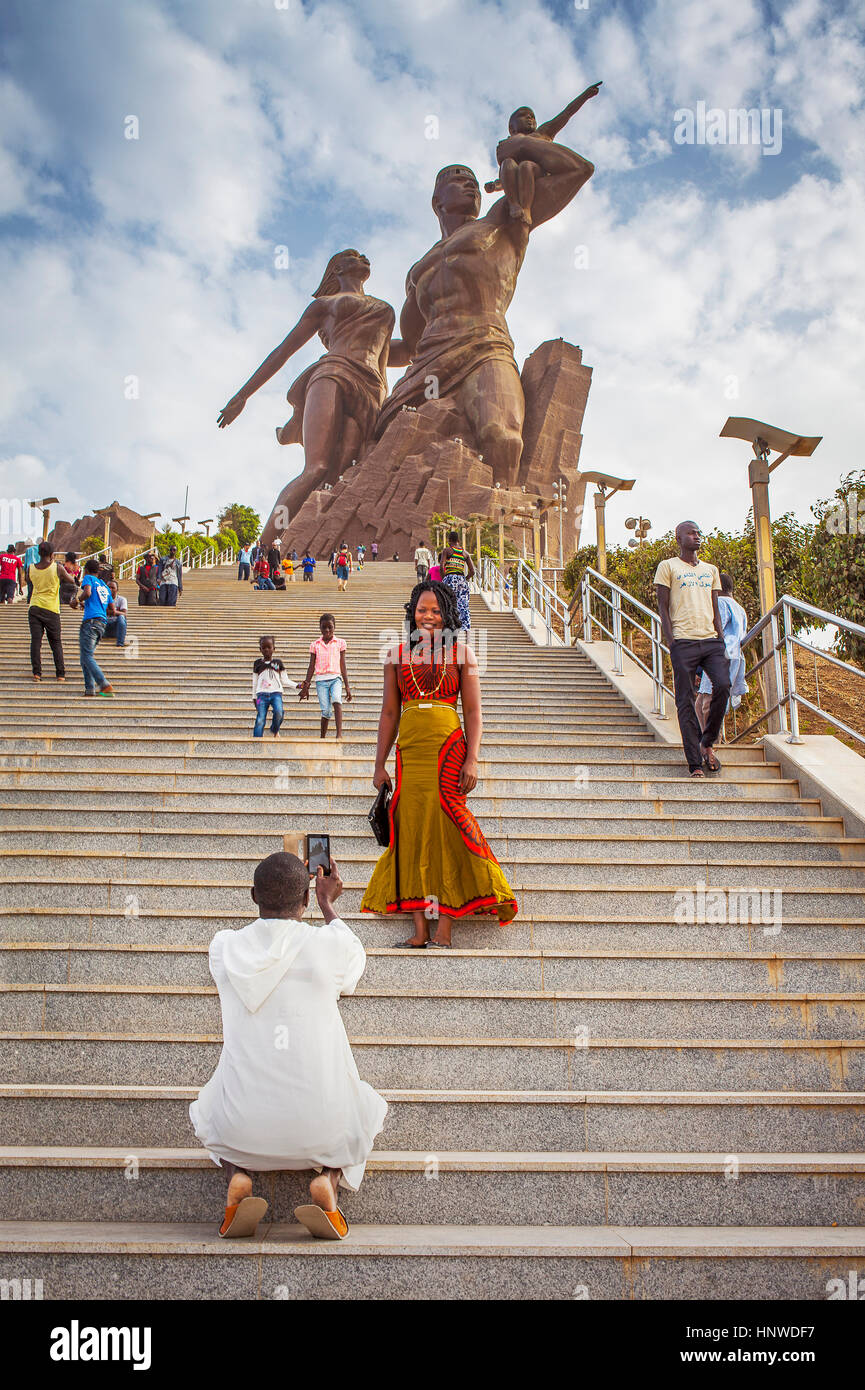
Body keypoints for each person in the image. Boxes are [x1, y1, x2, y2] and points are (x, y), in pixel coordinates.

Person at [189, 852, 387, 1240]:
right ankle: (328, 1181)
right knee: (368, 1106)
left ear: (252, 896)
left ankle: (238, 1176)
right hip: (323, 1129)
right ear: (307, 899)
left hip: (241, 1128)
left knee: (208, 1105)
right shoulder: (327, 945)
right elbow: (353, 965)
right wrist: (329, 904)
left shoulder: (225, 949)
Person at [361, 580, 517, 945]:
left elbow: (475, 712)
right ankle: (419, 930)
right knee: (411, 829)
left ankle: (444, 929)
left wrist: (473, 760)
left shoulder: (464, 654)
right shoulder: (396, 654)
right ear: (411, 613)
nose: (428, 616)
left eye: (435, 610)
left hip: (449, 750)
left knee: (450, 826)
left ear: (447, 615)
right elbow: (388, 713)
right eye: (421, 610)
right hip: (410, 752)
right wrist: (378, 764)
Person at [654, 521, 730, 778]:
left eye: (698, 532)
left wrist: (720, 636)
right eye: (691, 533)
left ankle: (707, 740)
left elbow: (715, 603)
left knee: (723, 685)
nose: (697, 537)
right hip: (683, 642)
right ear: (679, 538)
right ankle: (694, 762)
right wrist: (671, 640)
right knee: (685, 701)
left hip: (711, 641)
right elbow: (663, 606)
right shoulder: (668, 566)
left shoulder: (711, 569)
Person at [483, 84, 601, 226]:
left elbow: (566, 114)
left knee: (526, 166)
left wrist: (584, 96)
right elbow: (507, 176)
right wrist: (495, 186)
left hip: (537, 174)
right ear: (511, 128)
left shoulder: (541, 133)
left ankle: (526, 208)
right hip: (518, 182)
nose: (530, 119)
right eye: (523, 116)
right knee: (508, 163)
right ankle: (514, 204)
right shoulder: (509, 147)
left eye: (532, 117)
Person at [696, 572, 749, 734]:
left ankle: (712, 746)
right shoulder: (739, 608)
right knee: (700, 703)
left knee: (708, 704)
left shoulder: (719, 603)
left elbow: (714, 630)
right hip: (732, 655)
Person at [27, 542, 76, 682]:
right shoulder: (57, 568)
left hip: (34, 606)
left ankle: (37, 673)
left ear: (39, 554)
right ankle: (60, 674)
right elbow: (71, 580)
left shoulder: (31, 568)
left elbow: (27, 580)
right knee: (55, 642)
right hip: (51, 609)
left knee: (36, 641)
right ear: (52, 554)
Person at [299, 613, 352, 739]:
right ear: (320, 627)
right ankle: (322, 737)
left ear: (334, 627)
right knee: (326, 711)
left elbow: (342, 665)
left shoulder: (340, 643)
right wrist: (305, 685)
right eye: (324, 627)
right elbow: (311, 666)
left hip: (336, 678)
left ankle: (339, 735)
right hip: (321, 681)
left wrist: (347, 687)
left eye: (330, 627)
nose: (327, 630)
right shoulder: (315, 645)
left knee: (337, 700)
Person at [78, 557, 117, 697]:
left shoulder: (88, 578)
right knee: (85, 657)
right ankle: (89, 689)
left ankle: (103, 683)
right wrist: (90, 605)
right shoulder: (104, 586)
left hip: (91, 622)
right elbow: (112, 609)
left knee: (87, 656)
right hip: (102, 623)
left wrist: (77, 600)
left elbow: (87, 593)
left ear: (86, 570)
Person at [252, 635, 297, 738]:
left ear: (274, 648)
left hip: (276, 694)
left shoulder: (278, 663)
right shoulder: (257, 663)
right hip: (261, 695)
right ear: (260, 649)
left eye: (269, 647)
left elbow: (285, 680)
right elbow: (254, 683)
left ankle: (274, 729)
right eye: (264, 647)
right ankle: (256, 741)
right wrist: (254, 698)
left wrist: (297, 686)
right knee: (260, 719)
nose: (266, 650)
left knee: (279, 712)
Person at [440, 530, 475, 631]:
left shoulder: (447, 551)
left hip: (450, 578)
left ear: (449, 540)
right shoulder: (465, 553)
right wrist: (465, 579)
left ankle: (448, 626)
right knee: (463, 605)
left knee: (447, 602)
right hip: (461, 580)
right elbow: (472, 571)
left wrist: (444, 578)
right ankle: (465, 628)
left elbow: (441, 567)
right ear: (458, 540)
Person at [104, 581, 129, 647]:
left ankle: (120, 643)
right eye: (108, 587)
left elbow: (124, 613)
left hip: (116, 627)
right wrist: (114, 612)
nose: (110, 589)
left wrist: (110, 612)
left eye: (113, 588)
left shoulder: (122, 599)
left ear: (117, 589)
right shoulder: (102, 599)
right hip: (104, 626)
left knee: (121, 617)